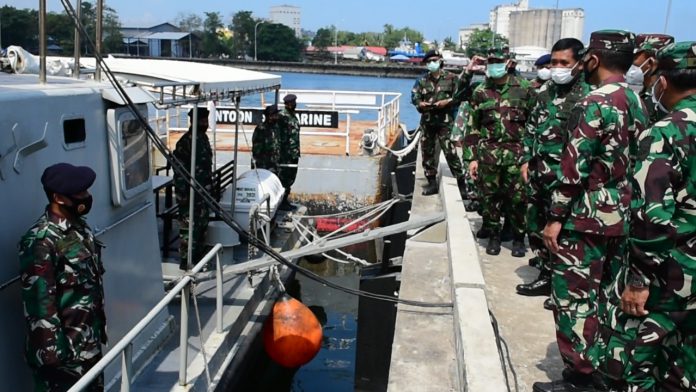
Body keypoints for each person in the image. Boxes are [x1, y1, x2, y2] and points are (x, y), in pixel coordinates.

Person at [534, 30, 649, 392]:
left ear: (593, 60)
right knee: (604, 298)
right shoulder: (637, 99)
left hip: (585, 218)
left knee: (573, 300)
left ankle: (581, 379)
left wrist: (555, 217)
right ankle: (601, 369)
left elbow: (574, 169)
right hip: (622, 215)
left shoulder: (594, 102)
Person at [603, 41, 696, 392]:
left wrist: (639, 281)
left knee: (634, 362)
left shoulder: (664, 133)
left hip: (670, 276)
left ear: (663, 80)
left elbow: (651, 216)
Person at [18, 163, 106, 391]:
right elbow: (40, 307)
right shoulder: (41, 241)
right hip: (62, 359)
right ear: (58, 197)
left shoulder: (79, 230)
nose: (86, 197)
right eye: (80, 193)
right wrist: (55, 360)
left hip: (88, 347)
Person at [517, 38, 592, 301]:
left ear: (579, 64)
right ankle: (546, 275)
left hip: (566, 179)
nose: (557, 67)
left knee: (563, 233)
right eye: (554, 62)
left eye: (564, 63)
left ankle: (562, 287)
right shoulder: (545, 92)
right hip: (539, 173)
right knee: (536, 225)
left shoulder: (588, 96)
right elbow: (530, 129)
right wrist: (526, 159)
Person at [466, 46, 535, 257]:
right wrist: (472, 158)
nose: (494, 66)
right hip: (489, 156)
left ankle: (517, 239)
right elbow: (472, 127)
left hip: (517, 157)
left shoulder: (524, 89)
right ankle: (494, 236)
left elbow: (534, 124)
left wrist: (530, 159)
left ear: (508, 62)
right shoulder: (480, 91)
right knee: (490, 199)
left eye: (498, 61)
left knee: (518, 200)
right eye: (491, 61)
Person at [411, 49, 471, 197]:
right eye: (429, 61)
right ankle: (431, 183)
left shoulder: (451, 78)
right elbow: (414, 97)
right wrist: (421, 104)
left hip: (445, 121)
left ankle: (461, 183)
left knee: (450, 152)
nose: (432, 63)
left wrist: (448, 102)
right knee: (427, 152)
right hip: (428, 121)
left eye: (435, 60)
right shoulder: (422, 81)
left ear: (440, 61)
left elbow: (460, 95)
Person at [173, 106, 212, 270]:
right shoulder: (185, 142)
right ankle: (185, 260)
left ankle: (197, 255)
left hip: (202, 192)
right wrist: (185, 194)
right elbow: (179, 169)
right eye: (202, 121)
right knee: (189, 227)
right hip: (189, 193)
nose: (205, 123)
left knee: (201, 224)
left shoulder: (203, 138)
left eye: (206, 120)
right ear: (193, 121)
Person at [625, 33, 674, 124]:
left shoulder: (661, 97)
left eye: (635, 57)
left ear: (650, 63)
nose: (632, 62)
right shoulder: (643, 94)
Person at [277, 94, 301, 211]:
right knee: (284, 178)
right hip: (285, 154)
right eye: (293, 103)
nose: (295, 104)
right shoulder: (282, 116)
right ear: (287, 104)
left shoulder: (292, 115)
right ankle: (281, 202)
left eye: (295, 102)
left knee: (291, 177)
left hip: (294, 153)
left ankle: (285, 200)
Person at [252, 104, 280, 174]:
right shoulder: (261, 129)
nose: (277, 117)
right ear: (270, 116)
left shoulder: (275, 128)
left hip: (274, 164)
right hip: (263, 166)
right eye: (275, 115)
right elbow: (256, 150)